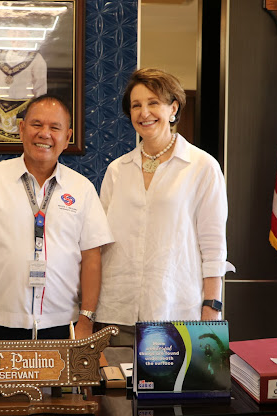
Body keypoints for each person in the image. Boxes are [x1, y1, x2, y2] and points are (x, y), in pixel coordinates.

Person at [0, 95, 113, 341]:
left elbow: (92, 259)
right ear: (22, 129)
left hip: (63, 325)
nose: (44, 134)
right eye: (36, 125)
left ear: (67, 137)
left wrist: (86, 320)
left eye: (54, 128)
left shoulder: (83, 189)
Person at [96, 68, 233, 340]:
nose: (144, 112)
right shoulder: (117, 169)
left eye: (153, 103)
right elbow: (100, 242)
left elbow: (213, 245)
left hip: (176, 312)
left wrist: (212, 307)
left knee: (176, 384)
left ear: (173, 109)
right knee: (114, 384)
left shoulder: (202, 167)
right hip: (116, 311)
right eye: (136, 105)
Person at [0, 48, 47, 142]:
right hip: (0, 110)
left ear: (27, 34)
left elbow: (40, 89)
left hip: (25, 109)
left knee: (24, 143)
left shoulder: (37, 58)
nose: (17, 35)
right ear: (9, 33)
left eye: (21, 32)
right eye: (13, 32)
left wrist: (41, 113)